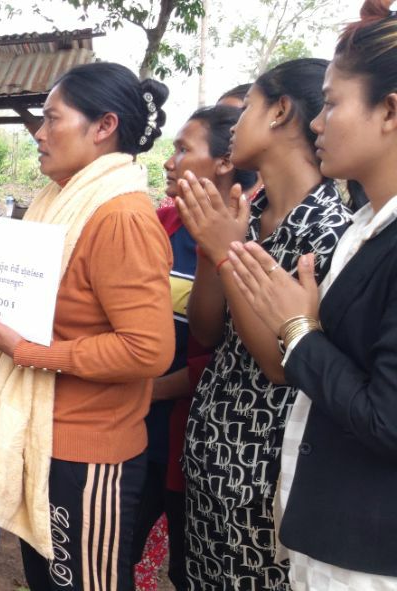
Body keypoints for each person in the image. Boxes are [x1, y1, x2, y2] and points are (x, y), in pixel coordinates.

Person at [0, 62, 175, 591]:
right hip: (44, 440)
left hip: (88, 453)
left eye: (52, 119)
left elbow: (148, 350)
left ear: (104, 126)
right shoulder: (59, 204)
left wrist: (28, 351)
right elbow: (48, 316)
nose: (39, 133)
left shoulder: (119, 216)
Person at [223, 2, 397, 587]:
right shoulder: (366, 228)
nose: (317, 124)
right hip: (324, 537)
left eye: (331, 104)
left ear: (389, 111)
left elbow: (388, 419)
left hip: (368, 560)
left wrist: (297, 330)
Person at [175, 58, 352, 590]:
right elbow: (207, 331)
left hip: (267, 469)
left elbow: (281, 364)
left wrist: (227, 253)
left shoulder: (330, 232)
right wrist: (211, 245)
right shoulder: (248, 216)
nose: (235, 125)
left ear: (279, 111)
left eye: (247, 107)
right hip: (212, 451)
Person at [131, 105, 258, 590]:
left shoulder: (251, 237)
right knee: (112, 554)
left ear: (225, 162)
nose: (169, 161)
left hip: (195, 441)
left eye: (184, 149)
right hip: (138, 431)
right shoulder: (161, 224)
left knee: (189, 570)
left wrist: (149, 390)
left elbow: (228, 353)